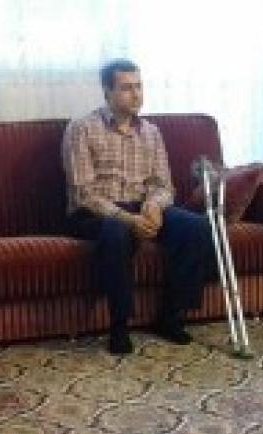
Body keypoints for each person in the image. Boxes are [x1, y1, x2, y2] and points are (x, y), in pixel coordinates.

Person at [62, 59, 212, 355]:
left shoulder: (151, 132)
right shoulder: (82, 129)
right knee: (116, 232)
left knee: (196, 228)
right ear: (108, 92)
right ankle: (119, 325)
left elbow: (163, 185)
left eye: (139, 87)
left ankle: (171, 315)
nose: (136, 94)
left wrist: (154, 206)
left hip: (141, 207)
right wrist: (128, 219)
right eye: (127, 88)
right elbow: (83, 193)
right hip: (95, 213)